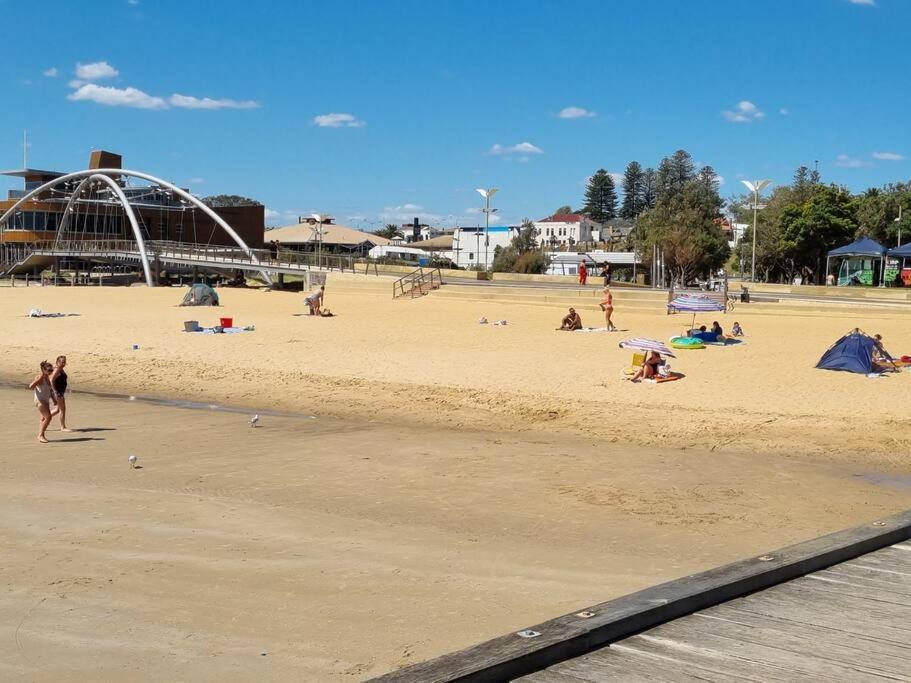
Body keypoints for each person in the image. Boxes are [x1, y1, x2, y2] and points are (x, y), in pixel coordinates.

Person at [28, 361, 55, 443]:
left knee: (44, 418)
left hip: (45, 399)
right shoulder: (40, 377)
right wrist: (39, 379)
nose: (51, 372)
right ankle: (40, 435)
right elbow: (31, 386)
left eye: (52, 370)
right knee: (48, 417)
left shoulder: (47, 377)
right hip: (40, 400)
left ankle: (41, 434)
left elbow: (49, 390)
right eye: (49, 370)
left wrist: (54, 399)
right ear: (43, 370)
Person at [49, 355, 72, 432]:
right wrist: (55, 392)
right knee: (62, 409)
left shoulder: (60, 369)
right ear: (57, 362)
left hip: (59, 392)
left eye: (64, 362)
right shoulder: (57, 370)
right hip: (57, 392)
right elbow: (51, 380)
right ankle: (63, 427)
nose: (63, 363)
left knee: (58, 409)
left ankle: (44, 417)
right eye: (62, 362)